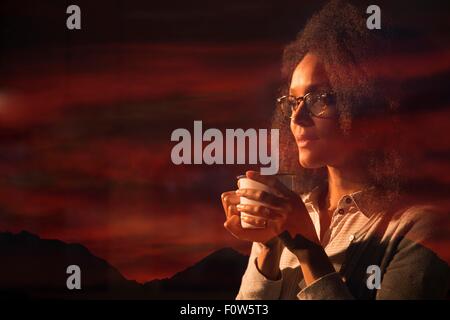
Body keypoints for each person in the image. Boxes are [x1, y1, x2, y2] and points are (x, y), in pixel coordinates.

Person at [220, 0, 450, 299]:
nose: (297, 118)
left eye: (319, 99)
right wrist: (268, 248)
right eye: (292, 102)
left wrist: (308, 251)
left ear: (373, 105)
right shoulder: (293, 213)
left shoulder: (422, 227)